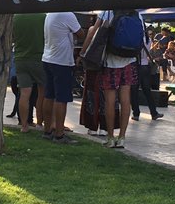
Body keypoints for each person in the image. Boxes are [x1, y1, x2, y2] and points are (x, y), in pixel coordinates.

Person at [82, 10, 139, 149]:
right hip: (129, 61)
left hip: (110, 62)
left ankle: (110, 137)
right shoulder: (135, 13)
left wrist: (83, 53)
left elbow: (92, 33)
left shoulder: (107, 13)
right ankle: (122, 137)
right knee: (126, 100)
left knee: (110, 101)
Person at [41, 11, 83, 145]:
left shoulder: (50, 14)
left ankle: (47, 130)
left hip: (48, 58)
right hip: (62, 61)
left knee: (49, 96)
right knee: (62, 98)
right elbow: (81, 33)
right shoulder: (68, 14)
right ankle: (59, 134)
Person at [12, 13, 45, 133]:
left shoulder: (16, 17)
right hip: (39, 58)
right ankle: (40, 123)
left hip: (21, 58)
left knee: (24, 93)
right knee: (43, 92)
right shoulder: (43, 17)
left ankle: (24, 125)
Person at [131, 23, 163, 122]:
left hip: (135, 65)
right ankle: (154, 112)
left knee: (134, 91)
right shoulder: (148, 40)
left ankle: (136, 113)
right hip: (145, 66)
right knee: (147, 91)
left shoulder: (135, 38)